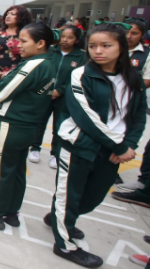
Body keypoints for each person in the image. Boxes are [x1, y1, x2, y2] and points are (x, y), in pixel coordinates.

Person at [46, 23, 146, 268]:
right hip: (78, 146)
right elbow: (85, 116)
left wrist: (128, 143)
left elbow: (138, 114)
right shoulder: (81, 74)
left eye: (106, 45)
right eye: (92, 46)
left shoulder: (132, 78)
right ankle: (65, 244)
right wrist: (119, 146)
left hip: (112, 150)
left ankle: (58, 218)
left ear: (121, 47)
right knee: (69, 197)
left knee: (93, 196)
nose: (98, 51)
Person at [0, 22, 56, 229]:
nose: (18, 44)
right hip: (28, 126)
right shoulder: (51, 63)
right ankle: (11, 212)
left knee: (0, 172)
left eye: (24, 41)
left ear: (41, 43)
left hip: (11, 125)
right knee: (17, 171)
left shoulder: (33, 65)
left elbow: (6, 89)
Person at [30, 26, 85, 168]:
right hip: (45, 93)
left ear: (77, 39)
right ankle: (35, 148)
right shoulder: (50, 51)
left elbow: (78, 78)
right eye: (63, 36)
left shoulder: (81, 56)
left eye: (70, 37)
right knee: (40, 121)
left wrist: (60, 90)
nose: (65, 40)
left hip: (65, 97)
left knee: (59, 125)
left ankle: (55, 153)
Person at [0, 5, 32, 151]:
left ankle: (6, 139)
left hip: (15, 77)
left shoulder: (25, 34)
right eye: (7, 13)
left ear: (21, 17)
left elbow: (27, 55)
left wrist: (10, 73)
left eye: (13, 14)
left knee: (10, 107)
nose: (8, 16)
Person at [114, 18, 150, 193]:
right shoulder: (112, 47)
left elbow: (147, 79)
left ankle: (112, 171)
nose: (129, 36)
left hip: (129, 103)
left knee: (121, 135)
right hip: (107, 101)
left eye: (134, 33)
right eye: (127, 32)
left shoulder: (146, 54)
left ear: (142, 35)